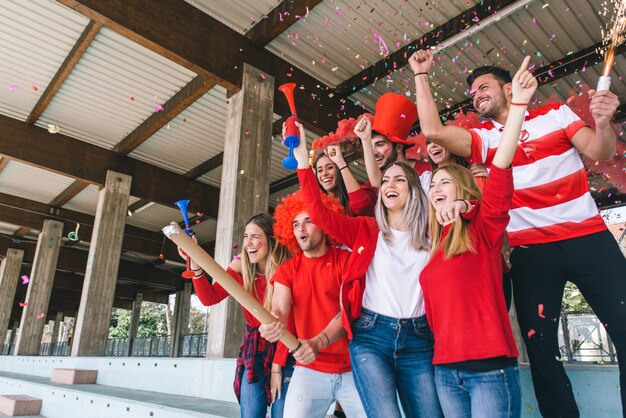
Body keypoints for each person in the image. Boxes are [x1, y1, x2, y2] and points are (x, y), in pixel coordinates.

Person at [411, 48, 626, 417]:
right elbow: (432, 130)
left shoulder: (556, 116)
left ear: (509, 89)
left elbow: (599, 150)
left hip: (588, 236)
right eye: (473, 93)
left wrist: (604, 124)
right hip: (531, 250)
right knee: (540, 348)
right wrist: (420, 74)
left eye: (483, 87)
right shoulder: (482, 137)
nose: (476, 95)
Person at [288, 120, 443, 417]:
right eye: (385, 182)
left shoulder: (432, 234)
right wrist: (302, 163)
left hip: (419, 338)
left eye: (399, 180)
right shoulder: (365, 230)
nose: (389, 185)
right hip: (372, 337)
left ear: (414, 191)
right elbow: (318, 213)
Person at [420, 56, 537, 417]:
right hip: (444, 372)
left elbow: (501, 166)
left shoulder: (483, 229)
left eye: (446, 183)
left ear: (466, 192)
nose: (437, 188)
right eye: (434, 184)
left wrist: (517, 106)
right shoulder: (433, 246)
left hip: (489, 370)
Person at [259, 191, 366, 418]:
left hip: (354, 369)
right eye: (296, 224)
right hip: (310, 369)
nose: (301, 229)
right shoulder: (287, 270)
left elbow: (345, 312)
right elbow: (279, 309)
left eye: (309, 221)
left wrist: (318, 342)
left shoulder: (346, 261)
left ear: (326, 223)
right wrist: (274, 323)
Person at [178, 213, 293, 418]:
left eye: (255, 237)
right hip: (255, 349)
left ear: (272, 240)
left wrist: (277, 369)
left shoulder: (290, 269)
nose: (248, 243)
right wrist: (195, 264)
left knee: (282, 413)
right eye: (246, 236)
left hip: (286, 350)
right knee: (250, 413)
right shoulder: (241, 267)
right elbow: (210, 297)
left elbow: (291, 323)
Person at [353, 92, 431, 191]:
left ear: (398, 147)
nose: (374, 153)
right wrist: (365, 139)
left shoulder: (428, 171)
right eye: (370, 146)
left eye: (380, 144)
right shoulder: (378, 178)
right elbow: (376, 183)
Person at [314, 144, 377, 217]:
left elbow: (362, 207)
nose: (324, 173)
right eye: (320, 170)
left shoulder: (362, 192)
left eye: (330, 167)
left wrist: (341, 162)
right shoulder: (320, 206)